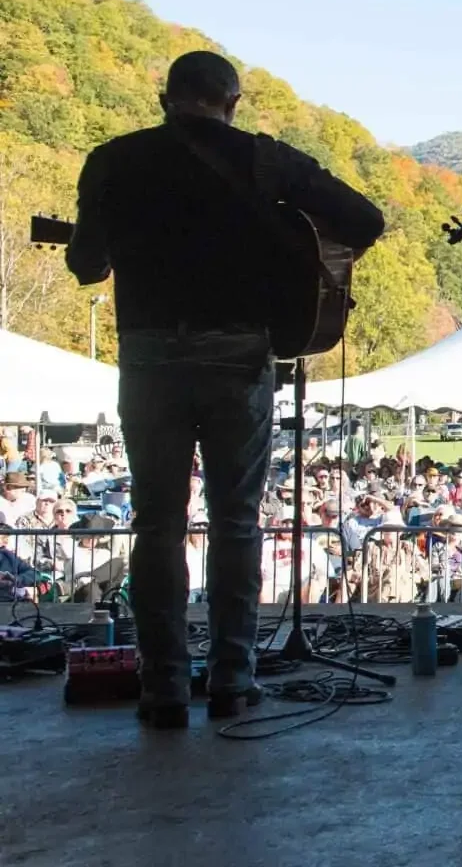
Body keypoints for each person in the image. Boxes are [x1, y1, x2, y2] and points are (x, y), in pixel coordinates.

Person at [64, 51, 383, 729]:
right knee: (236, 522)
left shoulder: (113, 160)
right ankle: (233, 679)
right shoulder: (264, 161)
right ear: (232, 102)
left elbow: (87, 265)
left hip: (149, 357)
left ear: (164, 97)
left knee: (156, 525)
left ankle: (163, 688)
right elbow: (365, 220)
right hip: (240, 356)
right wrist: (297, 254)